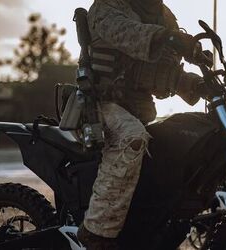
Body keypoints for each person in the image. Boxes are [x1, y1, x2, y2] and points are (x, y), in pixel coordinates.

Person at [77, 0, 204, 249]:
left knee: (175, 142)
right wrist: (169, 38)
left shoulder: (162, 14)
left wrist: (196, 81)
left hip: (138, 109)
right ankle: (96, 231)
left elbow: (161, 70)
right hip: (100, 105)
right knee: (131, 138)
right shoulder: (106, 7)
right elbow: (128, 34)